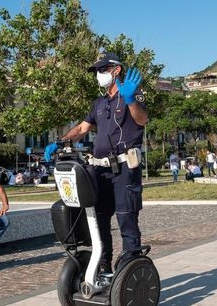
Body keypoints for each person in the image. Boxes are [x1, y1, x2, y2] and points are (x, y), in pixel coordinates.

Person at [45, 52, 148, 273]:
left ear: (116, 70)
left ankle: (132, 264)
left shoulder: (133, 95)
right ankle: (103, 264)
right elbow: (82, 129)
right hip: (100, 170)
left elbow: (142, 120)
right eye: (97, 72)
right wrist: (61, 142)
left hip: (124, 168)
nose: (98, 75)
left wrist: (130, 100)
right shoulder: (99, 103)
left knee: (126, 218)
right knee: (98, 220)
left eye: (102, 70)